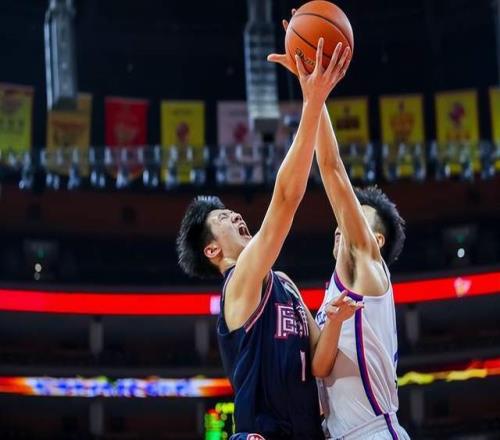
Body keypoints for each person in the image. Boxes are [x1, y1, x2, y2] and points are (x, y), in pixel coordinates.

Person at [177, 40, 359, 439]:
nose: (235, 215)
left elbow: (319, 364)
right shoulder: (238, 284)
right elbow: (286, 199)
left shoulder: (286, 285)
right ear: (212, 250)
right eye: (223, 218)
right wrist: (312, 101)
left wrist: (334, 323)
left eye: (231, 211)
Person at [269, 13, 410, 440]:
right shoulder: (333, 297)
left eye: (359, 216)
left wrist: (312, 89)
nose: (343, 220)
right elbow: (319, 368)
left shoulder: (368, 267)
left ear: (376, 239)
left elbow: (330, 167)